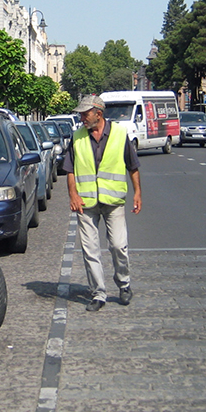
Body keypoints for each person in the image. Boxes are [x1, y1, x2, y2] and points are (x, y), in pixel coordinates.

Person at [63, 94, 142, 312]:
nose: (82, 118)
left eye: (85, 113)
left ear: (98, 113)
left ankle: (124, 284)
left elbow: (132, 165)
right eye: (80, 114)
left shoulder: (118, 134)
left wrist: (137, 193)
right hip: (86, 203)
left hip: (113, 200)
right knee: (90, 250)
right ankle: (98, 293)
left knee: (118, 246)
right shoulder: (77, 136)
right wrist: (73, 195)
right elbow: (69, 169)